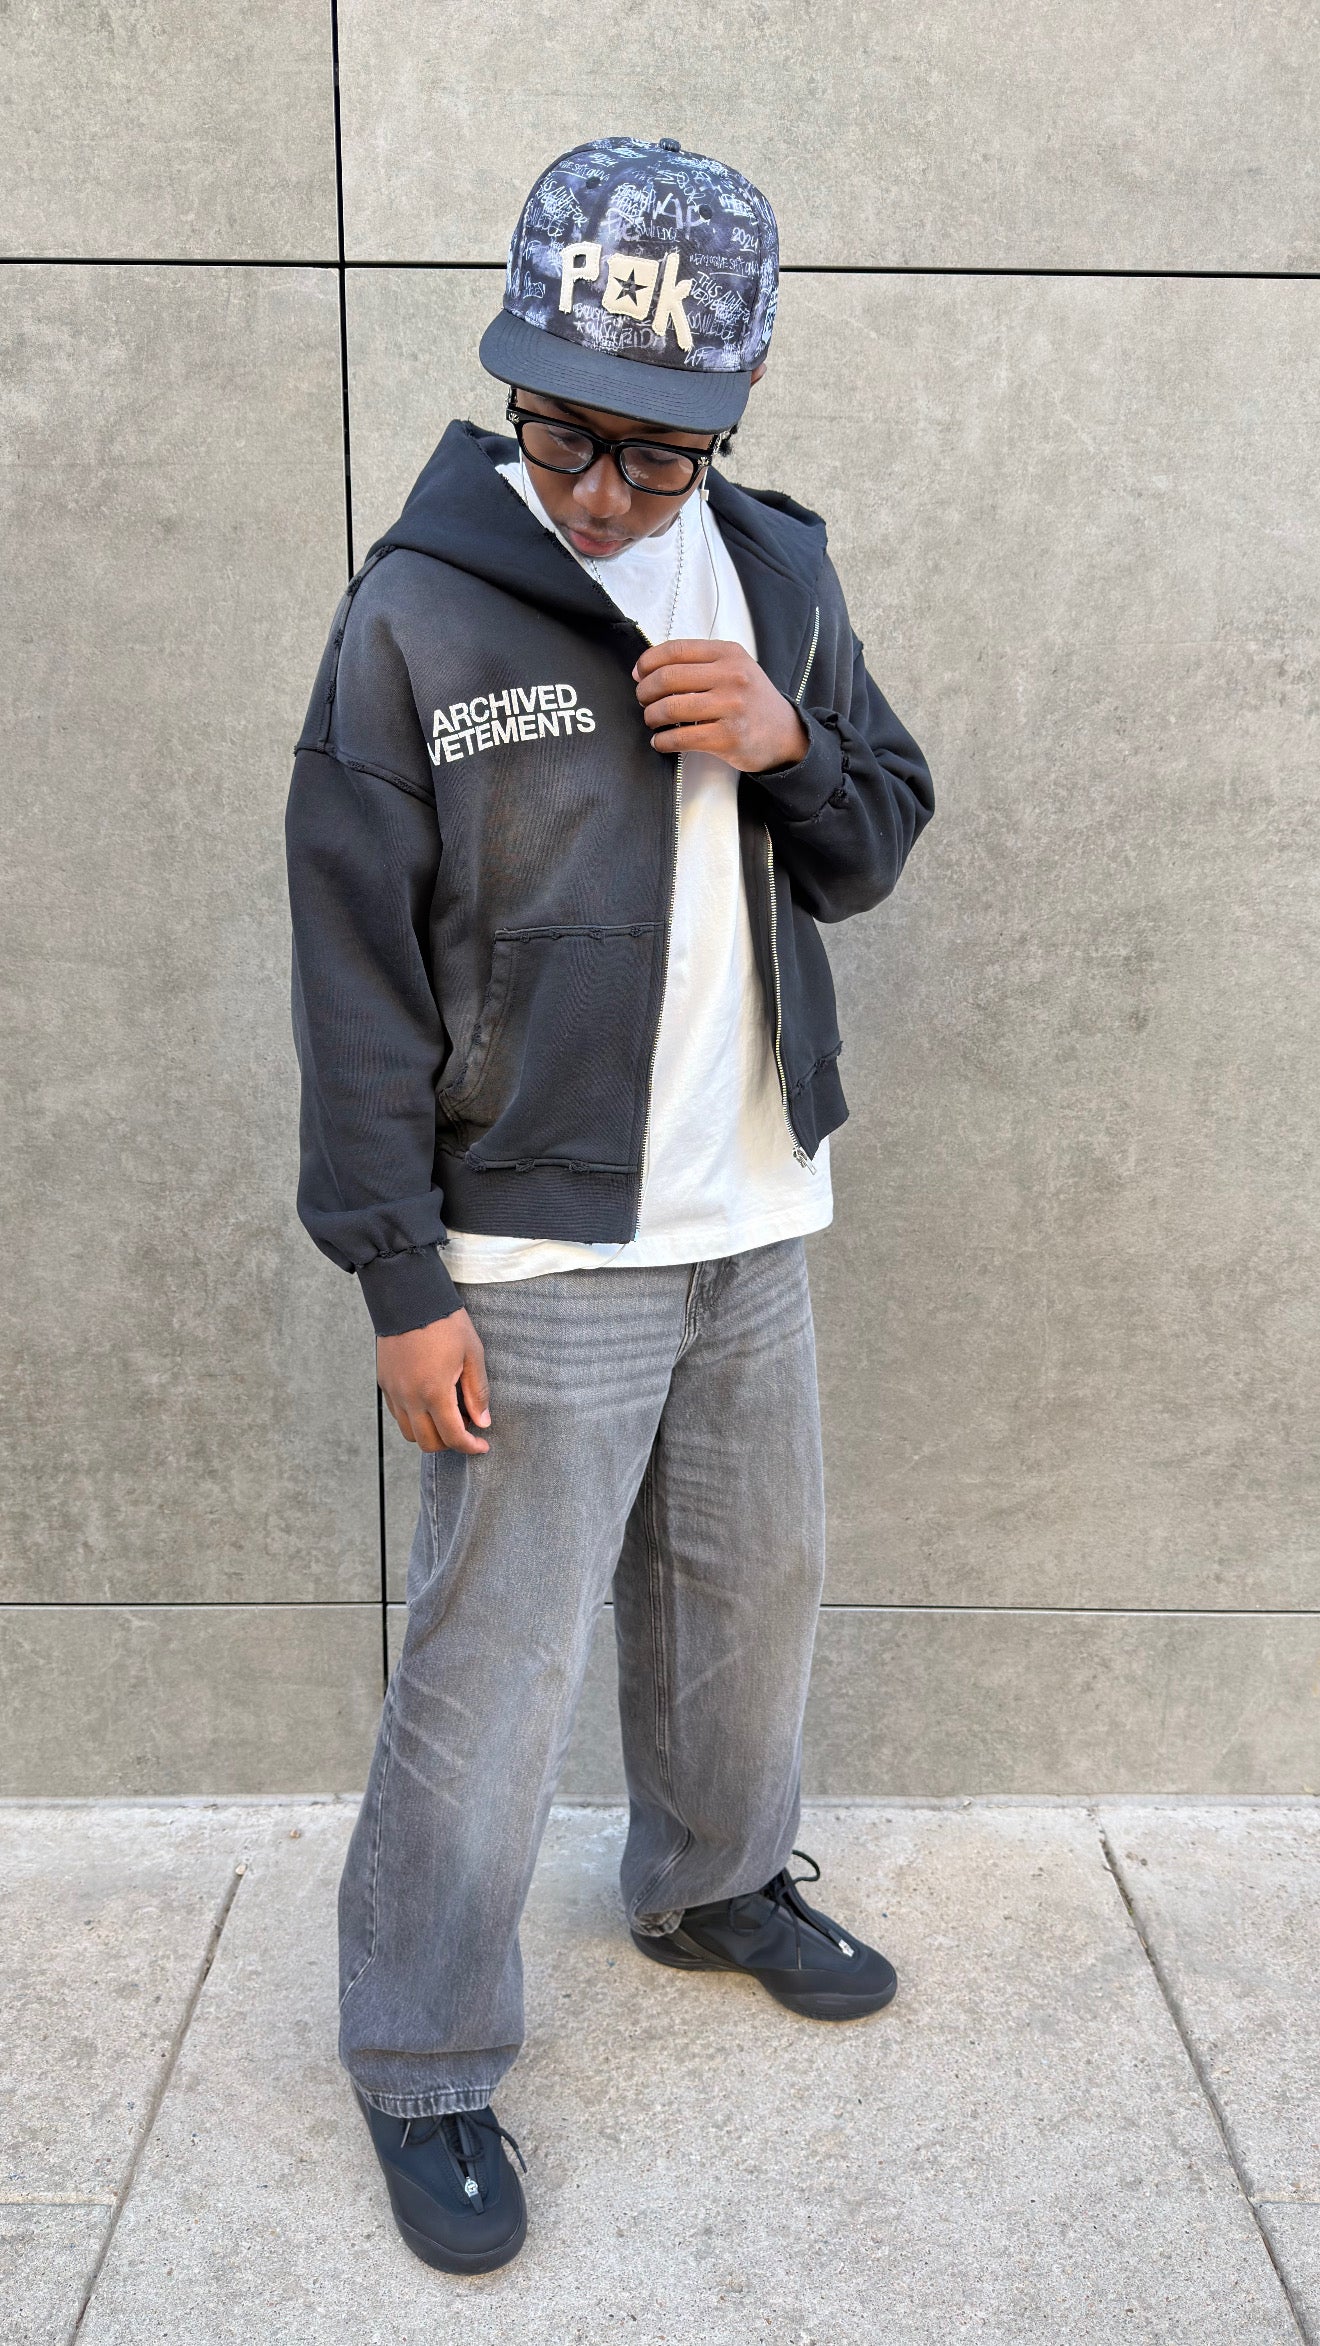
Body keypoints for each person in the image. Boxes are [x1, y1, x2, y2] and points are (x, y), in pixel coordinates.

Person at [286, 134, 934, 2275]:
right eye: (562, 432)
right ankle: (421, 2053)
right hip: (535, 1242)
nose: (599, 492)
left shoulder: (781, 573)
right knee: (492, 1666)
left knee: (753, 1592)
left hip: (752, 1203)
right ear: (514, 386)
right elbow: (352, 970)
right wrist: (400, 1273)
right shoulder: (417, 610)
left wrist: (786, 743)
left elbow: (880, 830)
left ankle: (712, 1880)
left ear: (728, 418)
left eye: (655, 454)